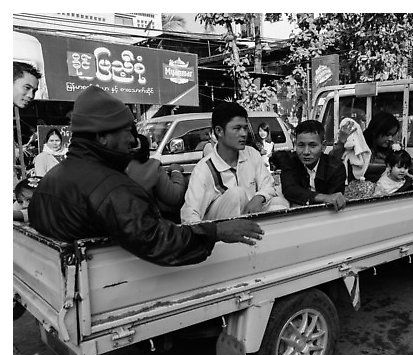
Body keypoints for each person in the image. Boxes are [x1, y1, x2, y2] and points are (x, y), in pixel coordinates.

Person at [29, 86, 263, 267]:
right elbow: (158, 240)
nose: (133, 140)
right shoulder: (112, 188)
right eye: (126, 131)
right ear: (102, 137)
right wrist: (217, 231)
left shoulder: (53, 177)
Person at [181, 102, 288, 224]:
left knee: (279, 203)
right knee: (236, 194)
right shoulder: (204, 169)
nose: (243, 134)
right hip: (221, 232)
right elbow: (189, 215)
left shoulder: (252, 154)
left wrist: (260, 197)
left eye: (245, 128)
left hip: (251, 221)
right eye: (237, 128)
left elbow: (268, 186)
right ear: (219, 131)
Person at [331, 111, 413, 184]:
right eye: (387, 134)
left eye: (392, 135)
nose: (390, 139)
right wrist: (341, 142)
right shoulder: (358, 148)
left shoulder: (393, 151)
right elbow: (331, 162)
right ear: (376, 131)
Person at [280, 120, 347, 211]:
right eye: (301, 145)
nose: (306, 152)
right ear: (295, 145)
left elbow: (335, 200)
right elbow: (289, 190)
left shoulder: (336, 168)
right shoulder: (290, 162)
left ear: (323, 146)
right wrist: (323, 197)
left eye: (312, 146)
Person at [125, 134, 186, 221]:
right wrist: (176, 171)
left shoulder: (107, 168)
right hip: (146, 224)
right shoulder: (151, 168)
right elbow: (174, 197)